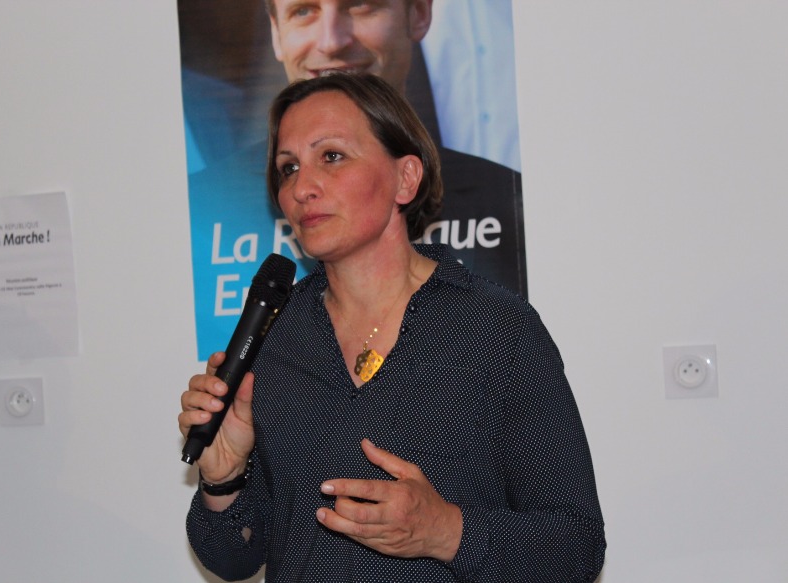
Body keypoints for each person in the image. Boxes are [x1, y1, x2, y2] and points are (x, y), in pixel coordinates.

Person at [179, 72, 606, 582]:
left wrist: (447, 532)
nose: (301, 188)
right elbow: (231, 558)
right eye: (288, 168)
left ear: (406, 178)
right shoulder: (273, 339)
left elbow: (577, 547)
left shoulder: (497, 329)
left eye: (331, 156)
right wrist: (223, 478)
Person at [182, 0, 525, 357]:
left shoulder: (509, 210)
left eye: (360, 5)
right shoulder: (199, 213)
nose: (331, 41)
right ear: (275, 31)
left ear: (419, 13)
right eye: (304, 11)